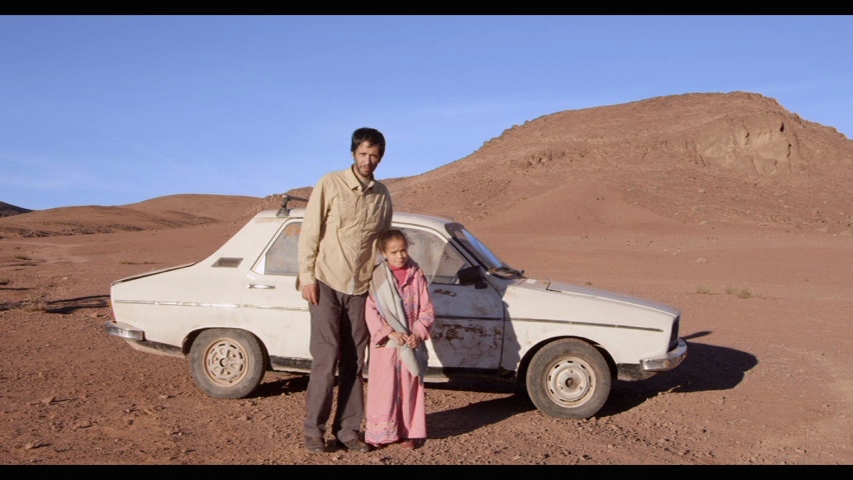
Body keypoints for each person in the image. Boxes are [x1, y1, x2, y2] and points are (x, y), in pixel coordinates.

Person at [298, 127, 393, 453]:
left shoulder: (382, 195)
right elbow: (310, 232)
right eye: (364, 154)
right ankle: (314, 431)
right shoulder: (330, 183)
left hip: (361, 287)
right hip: (326, 283)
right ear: (354, 153)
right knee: (326, 359)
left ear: (381, 157)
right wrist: (307, 276)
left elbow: (383, 242)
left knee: (355, 362)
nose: (369, 160)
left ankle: (348, 431)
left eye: (375, 155)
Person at [364, 229, 435, 450]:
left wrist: (418, 332)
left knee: (410, 387)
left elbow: (427, 308)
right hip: (387, 344)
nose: (400, 256)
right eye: (394, 252)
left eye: (403, 250)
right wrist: (388, 332)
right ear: (384, 253)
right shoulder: (377, 278)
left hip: (411, 342)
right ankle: (381, 434)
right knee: (383, 387)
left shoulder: (417, 275)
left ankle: (409, 433)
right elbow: (370, 309)